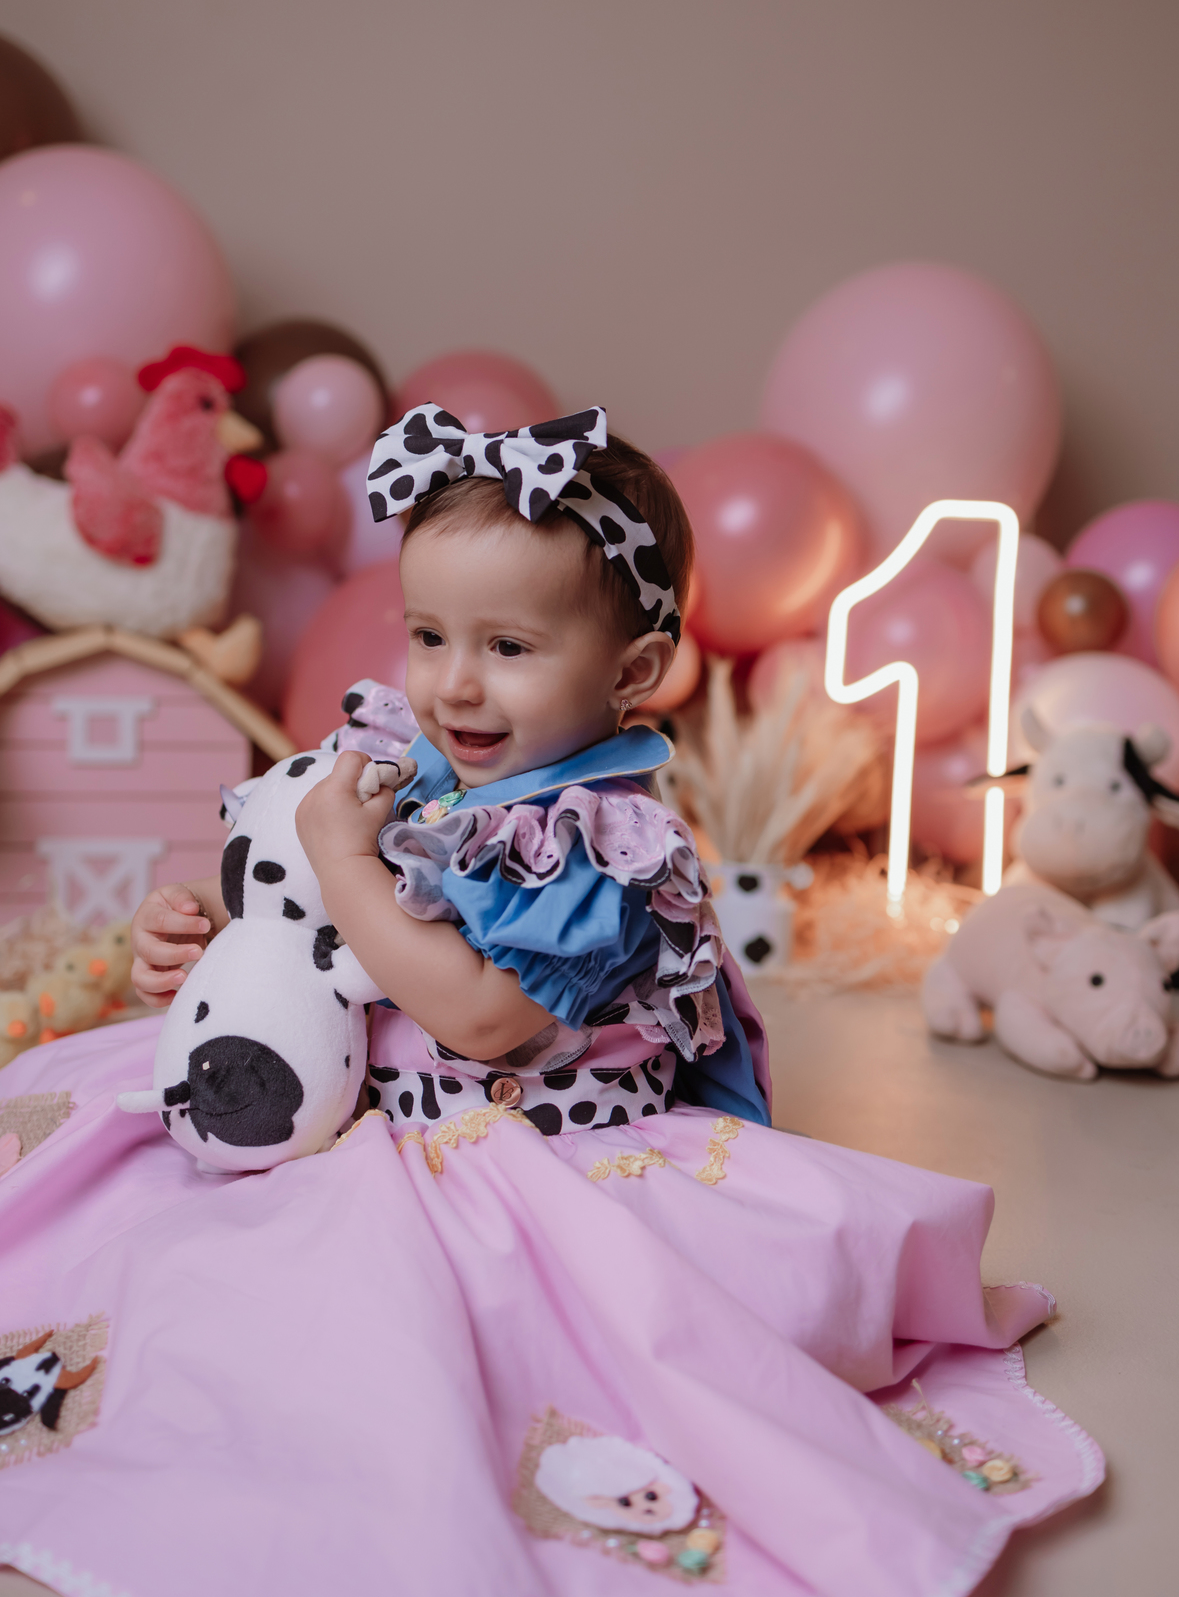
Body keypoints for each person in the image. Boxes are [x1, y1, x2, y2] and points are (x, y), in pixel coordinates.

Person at [0, 407, 1101, 1596]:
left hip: (529, 1152)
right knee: (167, 1256)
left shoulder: (599, 842)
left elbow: (481, 1017)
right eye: (429, 635)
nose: (456, 683)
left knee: (422, 1353)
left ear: (632, 672)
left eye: (510, 646)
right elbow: (302, 910)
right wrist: (211, 942)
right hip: (361, 1103)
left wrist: (347, 862)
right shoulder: (408, 767)